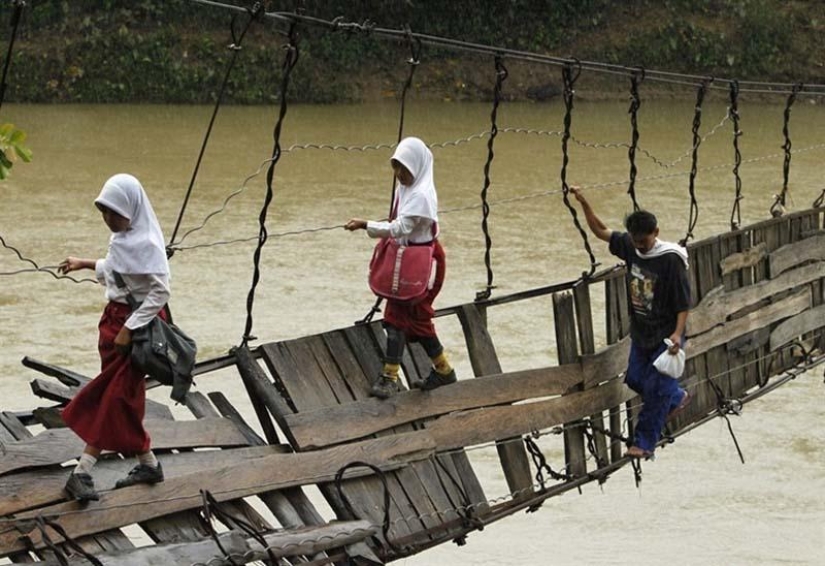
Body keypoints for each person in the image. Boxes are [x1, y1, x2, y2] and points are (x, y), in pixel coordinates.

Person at [58, 174, 169, 501]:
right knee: (125, 398)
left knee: (114, 397)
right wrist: (84, 263)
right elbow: (120, 268)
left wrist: (128, 328)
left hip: (134, 330)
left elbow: (160, 291)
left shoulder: (147, 244)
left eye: (114, 213)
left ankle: (82, 472)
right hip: (114, 324)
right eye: (104, 212)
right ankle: (149, 463)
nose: (108, 219)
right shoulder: (124, 240)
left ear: (131, 211)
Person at [571, 187, 692, 459]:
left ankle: (644, 444)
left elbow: (684, 304)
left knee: (656, 392)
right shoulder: (631, 246)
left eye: (644, 241)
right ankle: (677, 397)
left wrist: (677, 334)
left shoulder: (671, 259)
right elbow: (601, 231)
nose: (640, 246)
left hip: (666, 335)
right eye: (636, 241)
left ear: (656, 232)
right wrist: (584, 202)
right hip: (641, 333)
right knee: (637, 380)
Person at [345, 137, 456, 399]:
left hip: (421, 266)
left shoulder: (421, 195)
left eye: (404, 169)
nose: (399, 175)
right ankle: (443, 370)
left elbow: (399, 228)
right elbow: (398, 223)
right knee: (416, 319)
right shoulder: (406, 189)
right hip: (408, 262)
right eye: (395, 168)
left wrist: (365, 224)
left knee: (397, 318)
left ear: (417, 167)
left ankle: (389, 376)